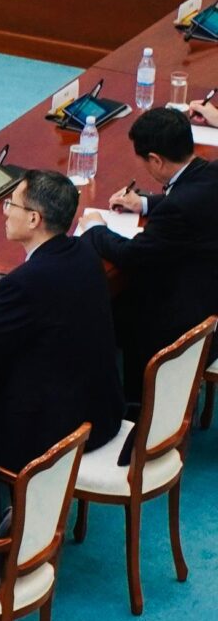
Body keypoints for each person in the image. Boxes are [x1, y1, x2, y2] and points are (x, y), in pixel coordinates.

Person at [0, 167, 122, 470]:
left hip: (54, 434)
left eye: (11, 204)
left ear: (33, 219)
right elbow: (46, 302)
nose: (5, 212)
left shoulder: (26, 282)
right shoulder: (83, 253)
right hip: (101, 411)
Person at [93, 104, 218, 399]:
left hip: (182, 319)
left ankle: (135, 404)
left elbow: (132, 256)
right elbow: (191, 198)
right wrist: (145, 203)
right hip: (209, 294)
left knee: (100, 311)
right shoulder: (211, 172)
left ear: (156, 160)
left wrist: (96, 229)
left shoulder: (177, 209)